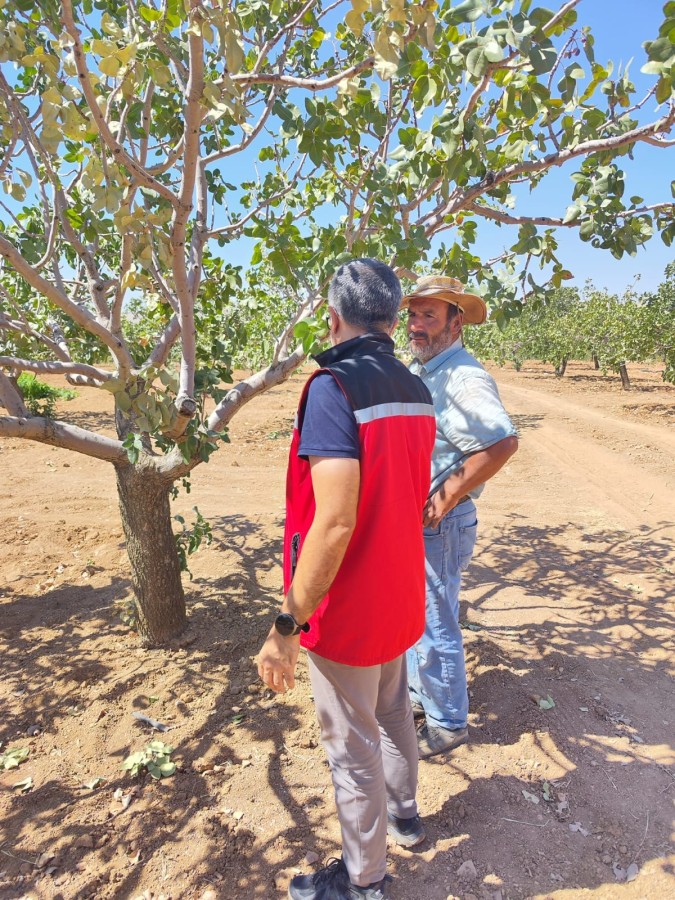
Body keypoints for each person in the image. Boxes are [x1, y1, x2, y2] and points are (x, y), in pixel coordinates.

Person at [257, 258, 436, 900]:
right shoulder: (414, 387)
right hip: (400, 592)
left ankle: (365, 881)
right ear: (392, 321)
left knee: (352, 744)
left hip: (352, 607)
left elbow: (332, 524)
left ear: (334, 319)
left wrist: (287, 625)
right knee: (392, 711)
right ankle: (407, 819)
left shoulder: (334, 387)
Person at [401, 275, 519, 760]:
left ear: (457, 321)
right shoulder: (428, 369)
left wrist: (444, 496)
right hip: (426, 522)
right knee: (419, 616)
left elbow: (502, 441)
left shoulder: (462, 378)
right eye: (413, 315)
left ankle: (447, 723)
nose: (417, 325)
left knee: (435, 621)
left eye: (430, 316)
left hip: (441, 524)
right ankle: (419, 699)